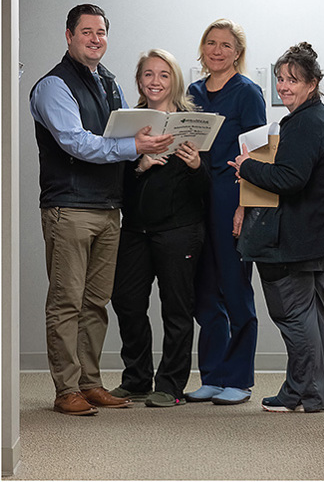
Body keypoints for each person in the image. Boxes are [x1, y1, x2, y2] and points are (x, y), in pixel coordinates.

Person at [30, 4, 173, 416]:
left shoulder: (108, 81)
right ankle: (66, 390)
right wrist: (134, 148)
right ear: (69, 35)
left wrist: (143, 155)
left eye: (102, 32)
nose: (96, 39)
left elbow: (126, 133)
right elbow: (75, 142)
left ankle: (90, 383)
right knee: (67, 302)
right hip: (69, 208)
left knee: (95, 302)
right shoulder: (54, 85)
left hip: (110, 209)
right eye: (87, 31)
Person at [228, 42, 324, 412]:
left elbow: (289, 179)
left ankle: (298, 392)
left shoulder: (305, 123)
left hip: (296, 240)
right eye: (281, 78)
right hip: (315, 236)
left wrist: (247, 166)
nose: (284, 86)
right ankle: (313, 394)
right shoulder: (313, 118)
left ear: (312, 83)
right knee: (313, 316)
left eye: (293, 80)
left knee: (294, 316)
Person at [110, 49, 209, 407]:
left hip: (180, 230)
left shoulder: (194, 122)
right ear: (139, 81)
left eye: (164, 75)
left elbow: (207, 189)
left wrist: (197, 165)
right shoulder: (127, 122)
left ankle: (169, 385)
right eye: (148, 74)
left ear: (175, 81)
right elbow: (110, 180)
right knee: (126, 300)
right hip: (135, 229)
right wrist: (139, 165)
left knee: (177, 309)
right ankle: (136, 379)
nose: (155, 81)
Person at [184, 19, 266, 405]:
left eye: (226, 45)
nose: (217, 50)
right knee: (203, 292)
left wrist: (244, 209)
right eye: (211, 43)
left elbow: (259, 155)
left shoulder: (248, 93)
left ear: (238, 53)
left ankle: (238, 379)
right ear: (203, 49)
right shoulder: (193, 91)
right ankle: (213, 374)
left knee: (234, 289)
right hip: (196, 200)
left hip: (231, 199)